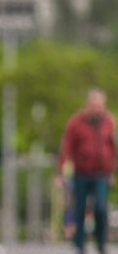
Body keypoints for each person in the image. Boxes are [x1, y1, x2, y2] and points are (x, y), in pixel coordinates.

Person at [59, 89, 116, 254]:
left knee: (100, 207)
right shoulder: (76, 122)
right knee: (80, 208)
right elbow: (66, 147)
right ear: (87, 105)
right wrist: (61, 171)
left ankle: (101, 244)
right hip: (81, 173)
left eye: (100, 106)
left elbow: (113, 148)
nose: (97, 109)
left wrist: (112, 171)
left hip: (101, 174)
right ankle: (79, 245)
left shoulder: (108, 122)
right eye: (94, 105)